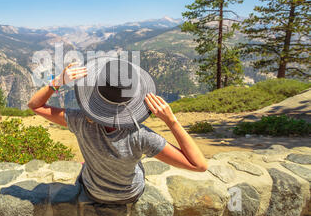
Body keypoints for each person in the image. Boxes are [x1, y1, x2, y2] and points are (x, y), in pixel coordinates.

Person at [27, 55, 207, 205]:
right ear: (133, 97)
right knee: (137, 164)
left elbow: (35, 105)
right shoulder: (141, 136)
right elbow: (199, 165)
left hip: (93, 192)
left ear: (96, 94)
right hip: (130, 195)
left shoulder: (80, 120)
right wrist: (172, 121)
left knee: (85, 167)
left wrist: (58, 81)